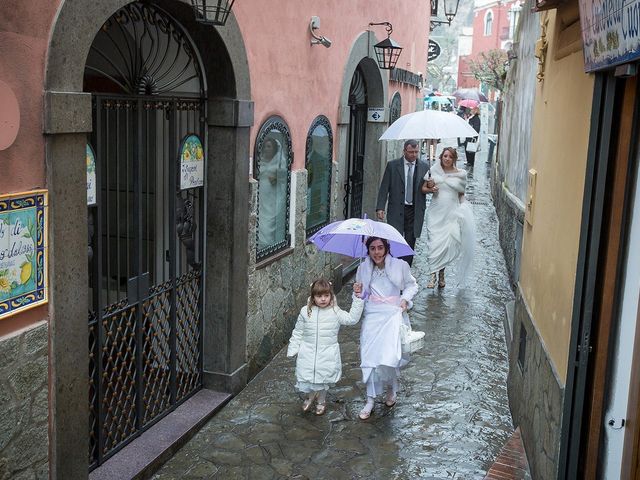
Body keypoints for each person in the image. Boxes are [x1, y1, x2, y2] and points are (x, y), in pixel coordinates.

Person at [355, 236, 419, 420]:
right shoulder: (363, 269)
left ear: (387, 248)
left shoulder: (400, 266)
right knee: (369, 356)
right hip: (372, 316)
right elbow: (364, 294)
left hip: (392, 315)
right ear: (368, 250)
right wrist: (359, 292)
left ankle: (391, 389)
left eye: (380, 248)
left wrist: (405, 299)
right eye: (373, 248)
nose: (376, 252)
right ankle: (370, 399)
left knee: (388, 355)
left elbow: (412, 285)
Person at [287, 278, 364, 415]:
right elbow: (298, 331)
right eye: (319, 296)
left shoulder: (335, 312)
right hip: (308, 351)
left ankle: (321, 399)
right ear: (313, 297)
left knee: (323, 378)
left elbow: (352, 319)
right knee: (308, 376)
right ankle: (311, 395)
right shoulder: (306, 311)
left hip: (327, 352)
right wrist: (294, 347)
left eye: (326, 295)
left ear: (331, 295)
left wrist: (358, 298)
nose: (323, 299)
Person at [421, 147, 475, 288]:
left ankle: (441, 274)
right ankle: (432, 275)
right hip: (435, 212)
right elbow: (423, 189)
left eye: (450, 157)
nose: (447, 159)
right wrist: (430, 188)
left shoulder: (461, 174)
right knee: (434, 243)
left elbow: (461, 194)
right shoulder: (433, 170)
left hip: (451, 213)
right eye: (445, 156)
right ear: (441, 157)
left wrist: (463, 208)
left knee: (445, 245)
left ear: (454, 159)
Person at [376, 139, 430, 266]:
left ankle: (405, 270)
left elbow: (426, 188)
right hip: (396, 209)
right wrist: (380, 207)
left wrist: (431, 186)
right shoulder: (393, 166)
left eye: (416, 152)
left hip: (415, 210)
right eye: (411, 152)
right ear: (404, 151)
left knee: (410, 243)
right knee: (395, 240)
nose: (414, 155)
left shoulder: (424, 167)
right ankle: (393, 267)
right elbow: (384, 187)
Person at [258, 136, 287, 249]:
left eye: (269, 146)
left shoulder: (280, 163)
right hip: (261, 200)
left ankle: (267, 246)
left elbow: (285, 177)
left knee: (267, 223)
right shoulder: (260, 161)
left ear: (274, 149)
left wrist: (277, 177)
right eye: (265, 146)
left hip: (271, 200)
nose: (266, 149)